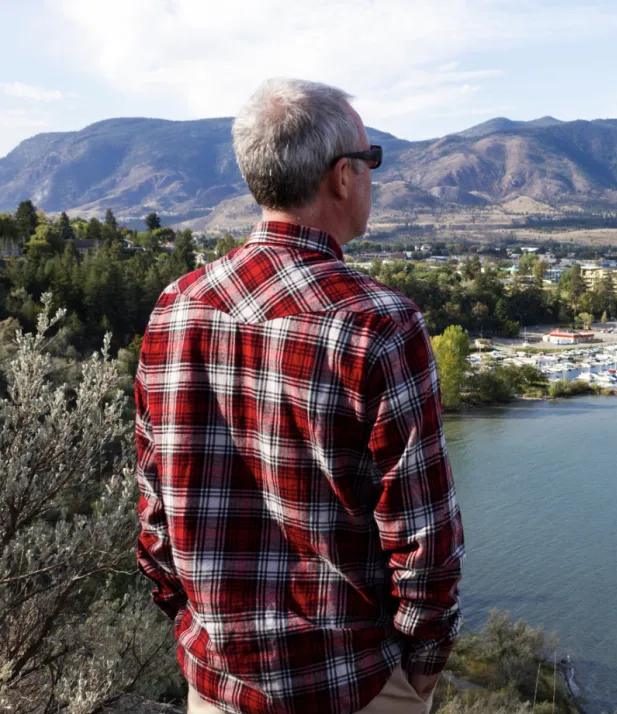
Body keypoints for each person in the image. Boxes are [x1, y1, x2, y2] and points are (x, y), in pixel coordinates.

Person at [135, 78, 464, 714]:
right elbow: (426, 541)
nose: (372, 175)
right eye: (372, 160)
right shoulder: (379, 323)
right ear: (343, 176)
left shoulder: (176, 309)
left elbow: (154, 517)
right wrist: (416, 674)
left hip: (217, 683)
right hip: (353, 688)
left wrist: (195, 628)